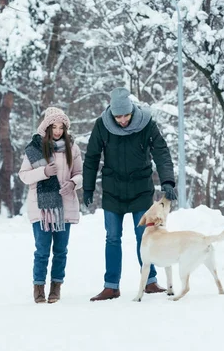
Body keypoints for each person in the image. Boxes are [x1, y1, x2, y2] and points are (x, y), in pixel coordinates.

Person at [83, 87, 177, 301]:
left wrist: (168, 181)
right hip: (112, 190)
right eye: (118, 116)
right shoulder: (102, 125)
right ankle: (111, 286)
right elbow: (92, 157)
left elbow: (161, 152)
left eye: (126, 115)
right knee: (112, 238)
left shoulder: (146, 124)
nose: (123, 120)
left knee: (143, 236)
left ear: (132, 111)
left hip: (140, 189)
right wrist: (88, 187)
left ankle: (150, 282)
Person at [19, 107, 83, 304]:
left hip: (65, 205)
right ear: (46, 127)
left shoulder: (73, 148)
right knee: (42, 250)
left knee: (61, 250)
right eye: (53, 127)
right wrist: (44, 172)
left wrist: (73, 183)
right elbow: (23, 176)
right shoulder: (34, 148)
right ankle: (39, 287)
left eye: (61, 127)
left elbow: (81, 174)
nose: (57, 131)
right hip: (41, 207)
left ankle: (56, 287)